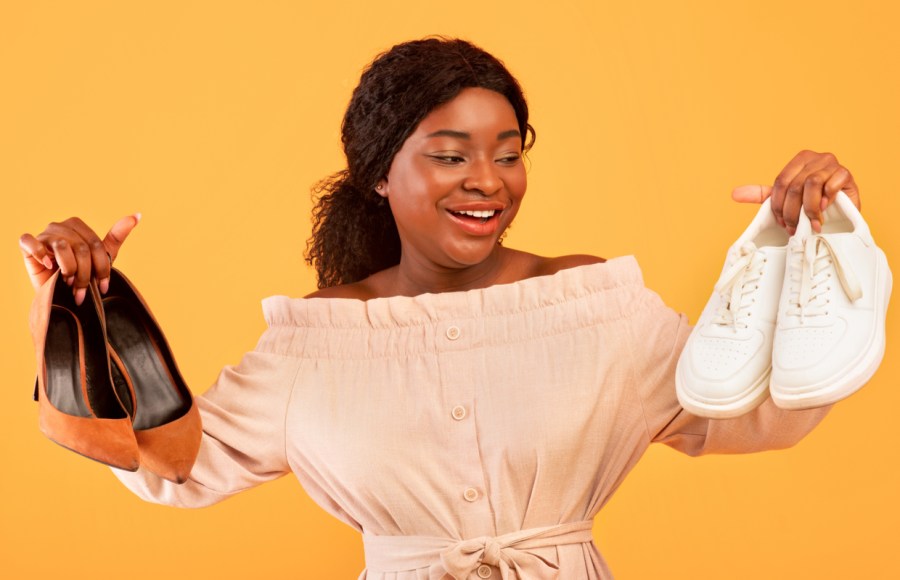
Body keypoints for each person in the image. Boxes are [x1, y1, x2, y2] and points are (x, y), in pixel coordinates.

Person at [18, 37, 862, 579]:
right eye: (451, 155)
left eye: (507, 153)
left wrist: (814, 242)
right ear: (382, 174)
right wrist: (75, 301)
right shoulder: (315, 343)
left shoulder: (596, 306)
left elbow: (751, 416)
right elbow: (179, 468)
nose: (488, 181)